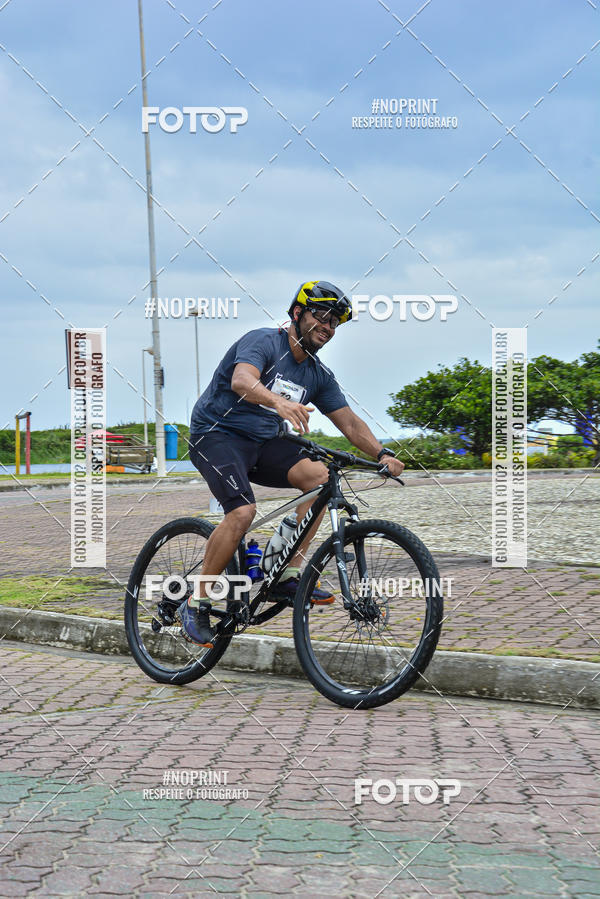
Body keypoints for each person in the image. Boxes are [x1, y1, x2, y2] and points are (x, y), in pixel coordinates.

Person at [182, 280, 405, 645]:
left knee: (320, 479)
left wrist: (382, 454)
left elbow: (348, 422)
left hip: (264, 442)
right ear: (298, 313)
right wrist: (278, 403)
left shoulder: (316, 374)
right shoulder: (264, 341)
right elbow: (242, 380)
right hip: (216, 436)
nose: (328, 327)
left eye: (335, 322)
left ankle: (285, 572)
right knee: (241, 512)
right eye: (322, 316)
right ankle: (197, 602)